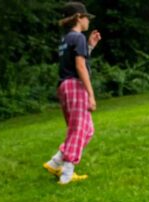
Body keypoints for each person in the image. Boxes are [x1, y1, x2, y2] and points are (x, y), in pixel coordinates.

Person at [43, 2, 101, 185]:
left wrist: (90, 47)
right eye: (86, 17)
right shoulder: (78, 37)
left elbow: (73, 61)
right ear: (78, 18)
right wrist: (91, 94)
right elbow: (80, 66)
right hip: (75, 86)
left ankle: (56, 162)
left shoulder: (66, 39)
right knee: (78, 130)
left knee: (87, 130)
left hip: (64, 86)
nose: (88, 21)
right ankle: (66, 174)